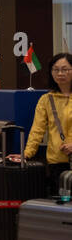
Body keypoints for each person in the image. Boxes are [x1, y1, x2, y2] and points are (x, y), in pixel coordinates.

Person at [8, 52, 72, 194]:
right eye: (56, 69)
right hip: (57, 161)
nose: (60, 73)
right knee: (61, 205)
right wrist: (26, 154)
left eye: (65, 69)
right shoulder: (46, 100)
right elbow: (37, 130)